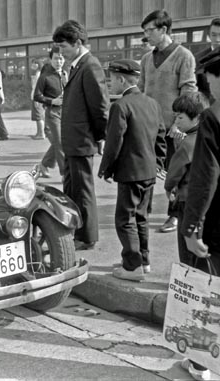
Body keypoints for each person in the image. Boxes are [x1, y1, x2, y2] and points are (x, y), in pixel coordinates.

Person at [98, 59, 166, 281]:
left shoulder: (120, 106)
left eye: (111, 79)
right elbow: (161, 136)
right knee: (141, 218)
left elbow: (114, 142)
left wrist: (106, 169)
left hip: (130, 173)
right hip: (148, 171)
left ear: (121, 79)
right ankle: (143, 261)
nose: (110, 83)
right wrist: (158, 163)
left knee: (125, 220)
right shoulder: (152, 103)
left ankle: (132, 266)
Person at [177, 48, 220, 381]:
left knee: (206, 292)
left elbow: (205, 178)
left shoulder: (213, 117)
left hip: (216, 224)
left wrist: (193, 227)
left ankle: (200, 363)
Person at [138, 9, 197, 233]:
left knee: (175, 172)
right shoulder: (146, 59)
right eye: (144, 32)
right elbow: (142, 90)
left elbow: (188, 91)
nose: (147, 35)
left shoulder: (184, 56)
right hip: (149, 127)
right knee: (147, 170)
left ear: (164, 29)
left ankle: (174, 215)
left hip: (173, 129)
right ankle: (144, 210)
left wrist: (178, 123)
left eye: (150, 31)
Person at [53, 20, 109, 250]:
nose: (61, 52)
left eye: (63, 47)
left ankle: (87, 237)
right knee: (72, 189)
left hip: (83, 141)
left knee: (83, 191)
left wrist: (100, 137)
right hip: (73, 141)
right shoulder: (78, 65)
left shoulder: (90, 66)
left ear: (77, 43)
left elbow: (100, 107)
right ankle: (76, 231)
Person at [164, 93, 210, 270]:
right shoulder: (209, 137)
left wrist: (169, 189)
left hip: (187, 200)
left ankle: (189, 280)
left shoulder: (188, 143)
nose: (177, 121)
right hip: (206, 201)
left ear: (196, 118)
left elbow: (174, 173)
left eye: (181, 117)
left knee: (186, 246)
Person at [33, 46, 67, 178]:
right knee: (60, 143)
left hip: (66, 113)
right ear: (51, 59)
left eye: (61, 58)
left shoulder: (66, 73)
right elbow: (37, 96)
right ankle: (65, 174)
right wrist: (52, 101)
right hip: (52, 113)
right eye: (56, 58)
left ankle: (43, 165)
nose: (59, 61)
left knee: (60, 142)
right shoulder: (45, 77)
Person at [193, 18, 220, 103]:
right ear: (209, 35)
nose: (218, 39)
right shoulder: (198, 58)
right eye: (214, 35)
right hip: (208, 107)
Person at [30, 58, 46, 139]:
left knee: (38, 115)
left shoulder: (38, 74)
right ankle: (39, 133)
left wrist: (36, 98)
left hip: (37, 97)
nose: (33, 65)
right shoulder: (37, 73)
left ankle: (41, 134)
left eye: (35, 63)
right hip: (36, 97)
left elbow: (38, 87)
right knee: (37, 116)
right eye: (32, 63)